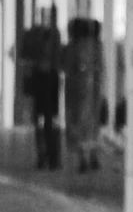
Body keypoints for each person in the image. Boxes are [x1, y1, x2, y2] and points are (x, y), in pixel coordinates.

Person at [19, 9, 64, 170]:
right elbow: (25, 57)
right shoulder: (36, 35)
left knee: (49, 119)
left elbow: (58, 57)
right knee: (42, 119)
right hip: (43, 80)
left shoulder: (51, 35)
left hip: (49, 80)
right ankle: (45, 156)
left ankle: (51, 156)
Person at [62, 15, 107, 173]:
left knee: (78, 122)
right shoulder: (97, 46)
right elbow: (101, 67)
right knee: (93, 124)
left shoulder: (73, 46)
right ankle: (94, 156)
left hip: (76, 90)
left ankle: (83, 158)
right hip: (94, 90)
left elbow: (66, 66)